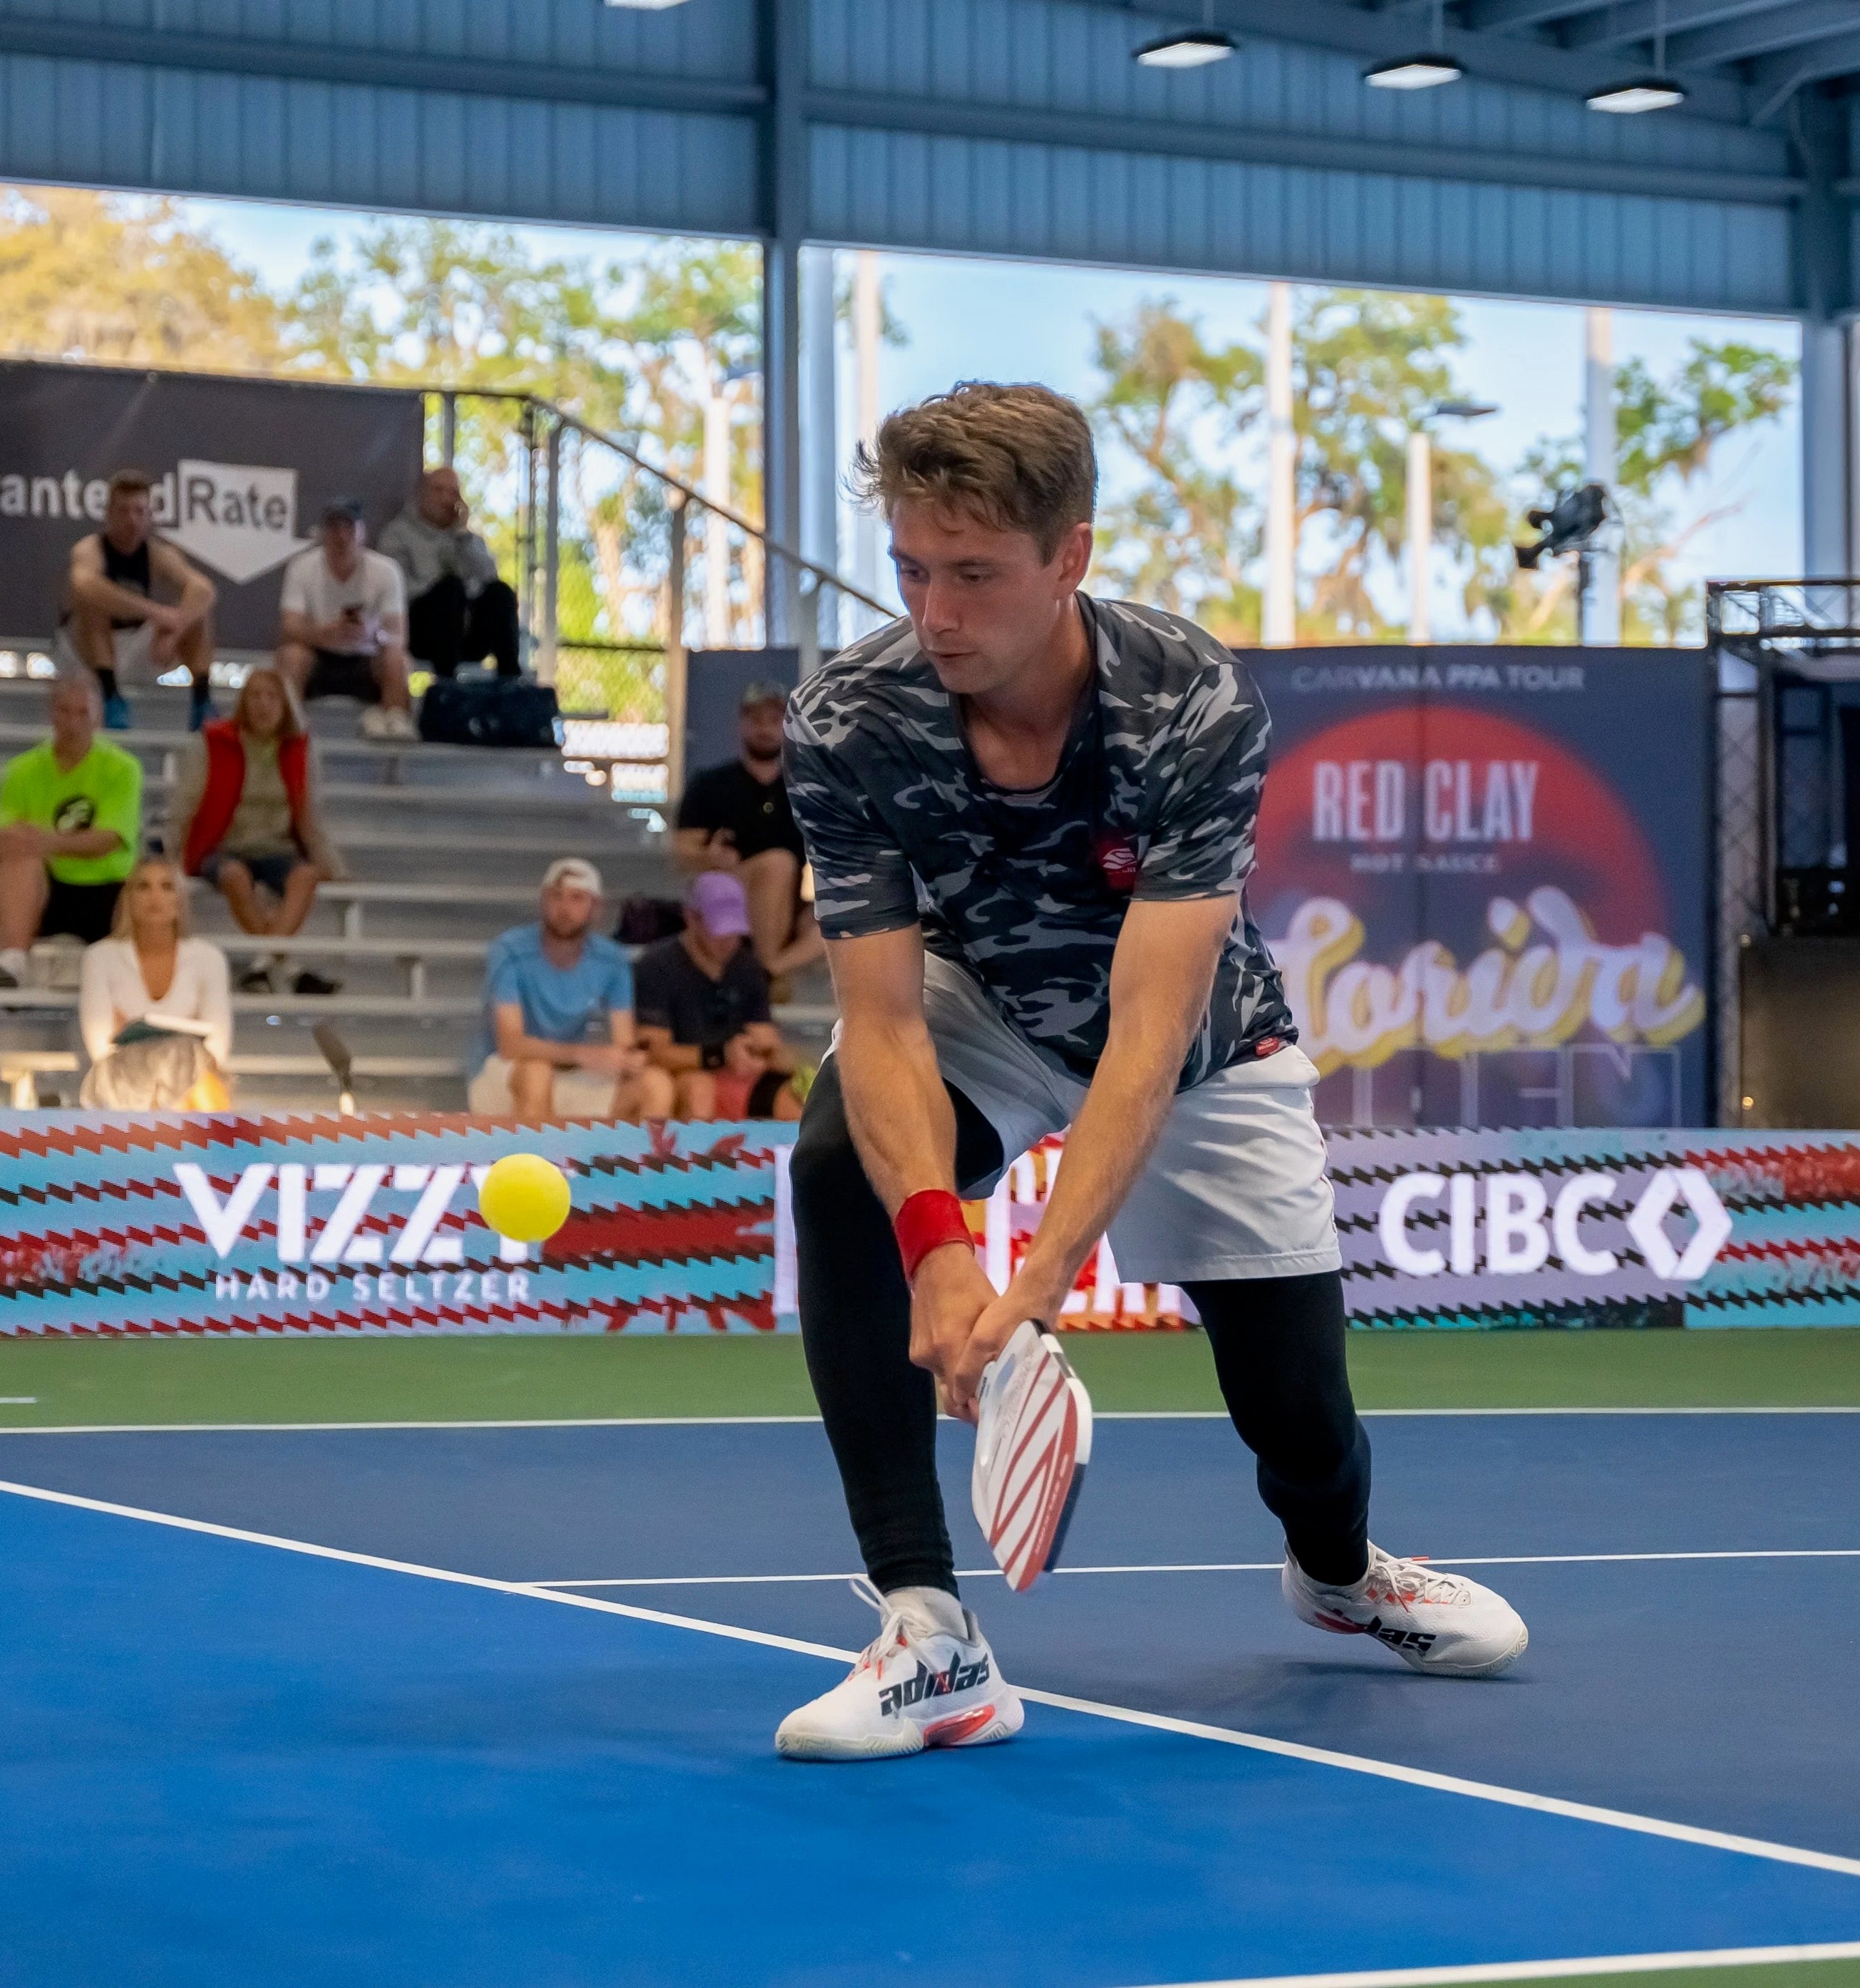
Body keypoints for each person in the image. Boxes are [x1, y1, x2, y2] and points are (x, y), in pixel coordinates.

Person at [773, 383, 1527, 1764]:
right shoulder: (848, 716)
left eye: (976, 574)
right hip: (977, 999)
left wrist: (1038, 1277)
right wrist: (941, 1249)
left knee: (1298, 1410)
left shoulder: (1190, 699)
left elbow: (1148, 1021)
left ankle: (1343, 1569)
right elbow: (879, 1020)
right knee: (832, 1168)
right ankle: (930, 1631)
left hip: (1193, 1040)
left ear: (1070, 557)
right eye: (912, 569)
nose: (935, 612)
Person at [170, 666, 347, 996]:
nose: (263, 705)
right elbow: (185, 806)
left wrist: (337, 868)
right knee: (235, 875)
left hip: (278, 848)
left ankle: (266, 964)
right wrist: (171, 859)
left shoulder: (300, 751)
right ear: (243, 702)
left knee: (307, 875)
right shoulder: (213, 743)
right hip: (224, 847)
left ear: (285, 705)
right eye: (255, 696)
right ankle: (286, 967)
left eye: (272, 697)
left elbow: (310, 819)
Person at [468, 857, 671, 1121]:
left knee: (656, 1084)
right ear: (543, 901)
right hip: (505, 1070)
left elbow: (624, 1040)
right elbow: (511, 1045)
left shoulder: (612, 959)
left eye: (577, 898)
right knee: (536, 1074)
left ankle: (621, 1162)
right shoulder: (510, 951)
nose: (564, 908)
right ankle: (537, 1162)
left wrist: (628, 1059)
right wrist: (585, 1055)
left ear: (595, 908)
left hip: (570, 1068)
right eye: (556, 897)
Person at [0, 671, 144, 989]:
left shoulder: (124, 768)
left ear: (98, 718)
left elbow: (109, 838)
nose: (73, 722)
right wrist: (22, 843)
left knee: (149, 887)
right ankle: (12, 960)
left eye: (83, 713)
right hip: (48, 889)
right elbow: (3, 837)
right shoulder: (20, 770)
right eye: (65, 711)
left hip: (107, 888)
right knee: (17, 858)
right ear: (51, 714)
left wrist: (43, 841)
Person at [673, 679, 825, 981]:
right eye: (756, 719)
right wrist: (710, 858)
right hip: (728, 895)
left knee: (843, 913)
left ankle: (766, 971)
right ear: (741, 724)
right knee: (778, 864)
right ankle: (768, 970)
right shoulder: (710, 784)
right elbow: (680, 852)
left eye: (774, 720)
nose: (765, 728)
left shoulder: (806, 789)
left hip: (790, 904)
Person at [635, 872, 800, 1121]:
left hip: (733, 1071)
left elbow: (764, 1036)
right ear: (692, 918)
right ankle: (695, 1160)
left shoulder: (747, 967)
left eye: (735, 931)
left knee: (797, 1097)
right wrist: (721, 1055)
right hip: (681, 1074)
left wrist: (762, 1055)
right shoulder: (656, 966)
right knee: (699, 1089)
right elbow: (656, 1053)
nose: (729, 940)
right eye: (719, 930)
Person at [61, 468, 217, 729]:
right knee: (93, 603)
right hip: (88, 655)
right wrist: (155, 612)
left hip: (138, 649)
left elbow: (203, 589)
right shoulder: (90, 549)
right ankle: (111, 697)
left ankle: (202, 702)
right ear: (108, 514)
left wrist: (176, 630)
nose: (132, 520)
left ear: (150, 516)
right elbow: (84, 584)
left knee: (198, 613)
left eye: (139, 512)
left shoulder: (157, 553)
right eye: (123, 511)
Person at [276, 498, 415, 741]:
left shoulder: (386, 571)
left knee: (398, 660)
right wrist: (324, 634)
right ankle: (290, 726)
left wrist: (370, 635)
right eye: (334, 529)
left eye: (349, 528)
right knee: (291, 655)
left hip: (367, 658)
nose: (341, 537)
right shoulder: (301, 568)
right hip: (318, 658)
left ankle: (395, 725)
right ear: (323, 534)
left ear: (362, 533)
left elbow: (398, 635)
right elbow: (289, 627)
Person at [78, 858, 233, 1072]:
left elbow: (217, 1047)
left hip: (190, 1082)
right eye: (143, 887)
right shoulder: (99, 957)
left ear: (180, 901)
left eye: (167, 887)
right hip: (122, 1081)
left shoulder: (209, 958)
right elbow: (100, 1050)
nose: (155, 897)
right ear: (128, 900)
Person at [379, 468, 520, 679]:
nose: (446, 498)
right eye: (438, 490)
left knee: (501, 592)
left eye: (453, 492)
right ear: (422, 494)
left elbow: (490, 577)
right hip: (421, 631)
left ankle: (511, 682)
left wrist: (463, 535)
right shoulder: (397, 535)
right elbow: (396, 588)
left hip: (467, 632)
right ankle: (447, 684)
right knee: (450, 590)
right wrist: (443, 591)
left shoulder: (467, 539)